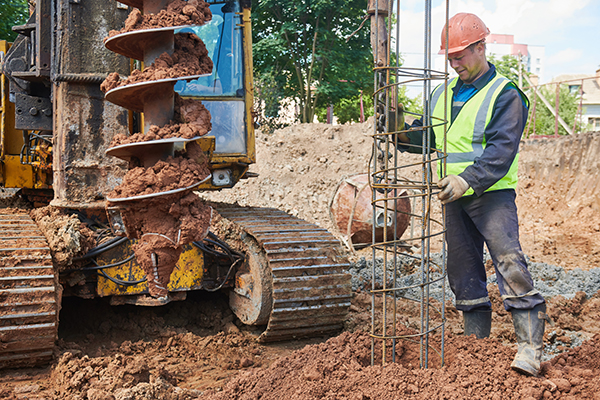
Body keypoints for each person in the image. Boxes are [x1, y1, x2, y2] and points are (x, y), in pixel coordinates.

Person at [396, 13, 548, 377]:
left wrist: (467, 180)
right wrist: (399, 132)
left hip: (490, 194)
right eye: (450, 58)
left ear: (482, 47)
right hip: (454, 196)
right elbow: (430, 138)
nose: (455, 64)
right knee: (462, 268)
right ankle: (475, 345)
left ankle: (529, 347)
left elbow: (501, 151)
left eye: (461, 55)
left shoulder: (506, 94)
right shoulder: (442, 92)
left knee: (508, 261)